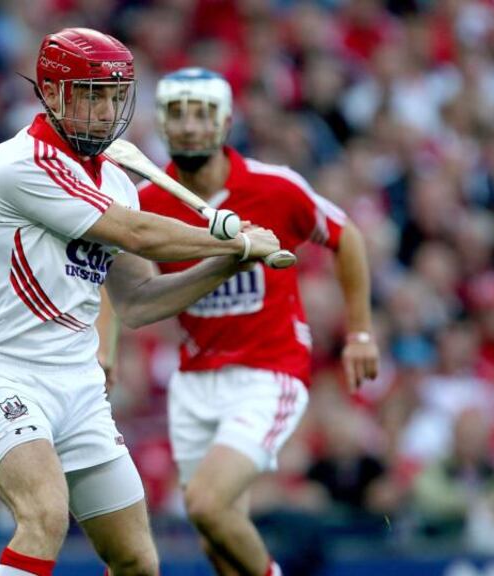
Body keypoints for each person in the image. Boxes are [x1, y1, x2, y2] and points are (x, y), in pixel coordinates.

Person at [0, 30, 285, 576]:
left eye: (113, 96)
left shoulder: (117, 182)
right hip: (1, 374)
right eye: (90, 94)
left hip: (78, 386)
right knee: (46, 515)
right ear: (52, 94)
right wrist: (231, 238)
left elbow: (140, 300)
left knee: (135, 559)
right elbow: (138, 234)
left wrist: (227, 263)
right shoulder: (19, 165)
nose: (105, 111)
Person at [130, 68, 380, 576]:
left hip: (268, 372)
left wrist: (358, 333)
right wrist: (106, 352)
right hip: (194, 379)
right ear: (161, 123)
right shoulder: (149, 201)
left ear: (224, 123)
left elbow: (344, 236)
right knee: (216, 542)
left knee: (206, 504)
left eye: (202, 115)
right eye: (178, 114)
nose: (190, 127)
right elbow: (121, 280)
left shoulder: (274, 187)